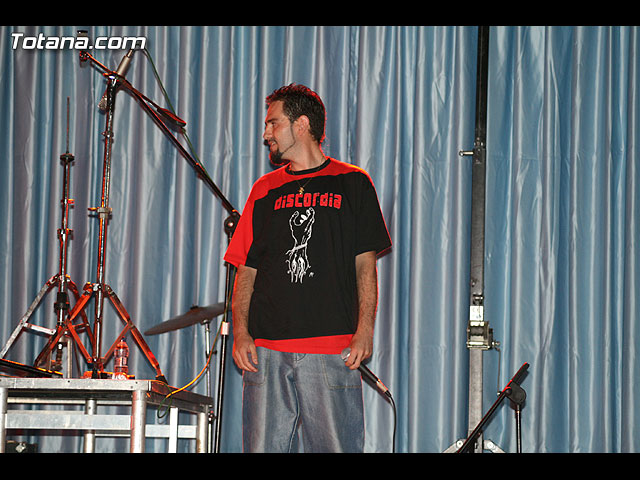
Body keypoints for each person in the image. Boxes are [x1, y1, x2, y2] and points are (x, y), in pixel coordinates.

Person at [224, 83, 391, 453]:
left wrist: (364, 329)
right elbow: (246, 269)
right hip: (266, 349)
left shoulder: (353, 182)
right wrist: (241, 332)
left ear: (301, 125)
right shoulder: (264, 189)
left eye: (273, 123)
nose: (266, 134)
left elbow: (365, 265)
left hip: (331, 346)